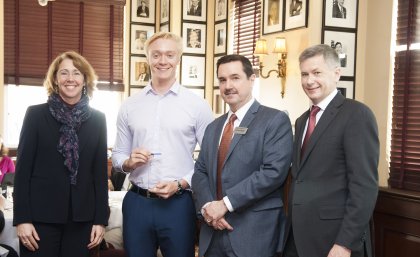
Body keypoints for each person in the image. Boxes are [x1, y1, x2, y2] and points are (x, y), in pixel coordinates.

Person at [112, 32, 213, 257]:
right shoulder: (129, 105)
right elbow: (118, 155)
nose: (162, 61)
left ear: (178, 59)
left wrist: (181, 183)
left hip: (178, 204)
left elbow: (209, 160)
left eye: (169, 54)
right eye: (156, 55)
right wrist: (128, 162)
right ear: (148, 58)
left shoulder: (198, 106)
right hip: (137, 202)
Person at [192, 54, 293, 257]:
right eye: (222, 80)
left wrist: (224, 205)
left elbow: (272, 173)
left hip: (253, 235)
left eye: (235, 77)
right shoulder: (214, 127)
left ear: (252, 80)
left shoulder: (274, 120)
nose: (228, 85)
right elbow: (200, 171)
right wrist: (208, 208)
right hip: (213, 232)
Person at [282, 44, 379, 257]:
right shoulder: (302, 121)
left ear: (337, 74)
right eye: (305, 74)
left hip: (335, 241)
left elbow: (364, 186)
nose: (309, 80)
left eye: (317, 73)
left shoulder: (356, 115)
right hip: (297, 238)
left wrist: (345, 243)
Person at [13, 51, 109, 257]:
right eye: (64, 73)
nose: (70, 79)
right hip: (39, 220)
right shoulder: (35, 115)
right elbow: (22, 172)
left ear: (85, 80)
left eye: (76, 73)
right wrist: (22, 219)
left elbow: (100, 175)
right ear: (55, 80)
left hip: (82, 221)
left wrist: (101, 220)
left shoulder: (98, 120)